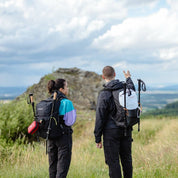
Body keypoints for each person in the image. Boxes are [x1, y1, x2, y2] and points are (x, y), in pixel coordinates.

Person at [94, 66, 136, 178]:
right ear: (115, 74)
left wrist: (97, 137)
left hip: (110, 132)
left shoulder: (104, 94)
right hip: (126, 129)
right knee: (127, 159)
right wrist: (128, 78)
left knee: (113, 162)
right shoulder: (124, 88)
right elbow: (132, 91)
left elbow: (100, 116)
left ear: (103, 77)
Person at [47, 79, 76, 178]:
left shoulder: (48, 101)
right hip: (63, 137)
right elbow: (70, 121)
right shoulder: (67, 103)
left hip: (50, 136)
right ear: (61, 89)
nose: (67, 89)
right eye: (66, 87)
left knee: (52, 165)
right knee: (62, 166)